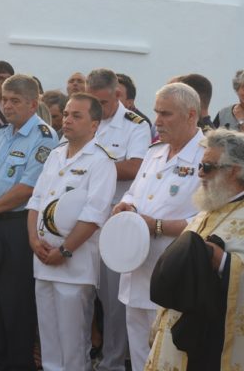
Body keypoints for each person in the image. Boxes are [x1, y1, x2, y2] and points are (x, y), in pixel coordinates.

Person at [0, 74, 58, 370]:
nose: (7, 106)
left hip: (15, 226)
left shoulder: (44, 137)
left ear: (33, 104)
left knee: (15, 301)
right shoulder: (1, 134)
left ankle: (18, 363)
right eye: (5, 100)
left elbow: (29, 187)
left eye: (15, 101)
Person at [113, 82, 204, 371]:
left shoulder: (209, 157)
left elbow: (209, 221)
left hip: (175, 273)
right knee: (140, 354)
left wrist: (159, 226)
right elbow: (134, 193)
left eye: (166, 114)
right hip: (137, 267)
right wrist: (125, 206)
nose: (157, 121)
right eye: (156, 112)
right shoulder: (154, 152)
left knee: (169, 357)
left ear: (191, 115)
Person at [27, 93, 116, 371]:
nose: (67, 120)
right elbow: (36, 201)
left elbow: (94, 215)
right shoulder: (56, 154)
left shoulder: (101, 161)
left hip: (74, 264)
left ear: (94, 124)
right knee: (49, 338)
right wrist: (33, 240)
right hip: (43, 259)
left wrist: (64, 251)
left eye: (77, 116)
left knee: (73, 341)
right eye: (66, 114)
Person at [146, 129, 244, 370]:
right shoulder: (207, 210)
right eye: (200, 165)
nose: (200, 173)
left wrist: (221, 260)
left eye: (208, 167)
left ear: (234, 171)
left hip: (215, 343)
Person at [86, 68, 151, 371]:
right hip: (83, 218)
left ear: (117, 95)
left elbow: (136, 167)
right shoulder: (85, 117)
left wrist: (92, 169)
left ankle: (112, 362)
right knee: (84, 295)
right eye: (93, 101)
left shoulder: (135, 125)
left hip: (114, 219)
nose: (98, 108)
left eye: (103, 102)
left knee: (113, 302)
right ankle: (83, 355)